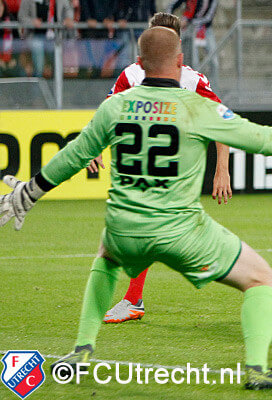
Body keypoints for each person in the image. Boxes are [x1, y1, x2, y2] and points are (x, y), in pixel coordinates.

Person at [0, 26, 272, 388]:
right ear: (180, 61)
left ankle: (81, 351)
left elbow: (74, 156)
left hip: (124, 228)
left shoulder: (116, 105)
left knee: (107, 254)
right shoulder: (198, 108)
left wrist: (28, 194)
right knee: (262, 279)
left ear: (139, 64)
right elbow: (268, 142)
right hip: (180, 232)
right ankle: (257, 370)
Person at [89, 12, 233, 324]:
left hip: (174, 169)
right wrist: (95, 146)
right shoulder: (131, 75)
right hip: (138, 167)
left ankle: (133, 300)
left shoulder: (192, 80)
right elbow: (108, 112)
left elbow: (223, 121)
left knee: (138, 227)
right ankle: (138, 296)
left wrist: (222, 168)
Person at [168, 0, 219, 86]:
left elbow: (208, 17)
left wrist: (188, 22)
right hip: (189, 30)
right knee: (193, 62)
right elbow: (172, 6)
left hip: (205, 30)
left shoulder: (213, 1)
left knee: (214, 61)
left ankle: (213, 88)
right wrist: (173, 21)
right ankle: (191, 87)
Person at [18, 0, 74, 77]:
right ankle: (37, 86)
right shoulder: (27, 1)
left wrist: (69, 18)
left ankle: (55, 86)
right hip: (35, 35)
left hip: (55, 36)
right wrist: (32, 22)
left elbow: (68, 10)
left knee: (57, 65)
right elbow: (21, 16)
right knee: (39, 66)